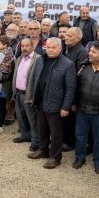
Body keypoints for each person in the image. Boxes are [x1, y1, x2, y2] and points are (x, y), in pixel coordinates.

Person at [27, 37, 76, 169]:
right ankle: (43, 150)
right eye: (48, 47)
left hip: (56, 105)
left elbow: (71, 88)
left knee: (56, 134)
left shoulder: (67, 64)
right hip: (40, 102)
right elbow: (34, 79)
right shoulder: (40, 60)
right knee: (41, 129)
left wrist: (65, 107)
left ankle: (55, 157)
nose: (50, 50)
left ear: (60, 48)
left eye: (54, 47)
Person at [73, 41, 99, 174]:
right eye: (90, 50)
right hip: (82, 109)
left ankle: (98, 162)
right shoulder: (82, 66)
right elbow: (75, 86)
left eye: (93, 52)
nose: (89, 53)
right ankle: (80, 158)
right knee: (80, 135)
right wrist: (74, 103)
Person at [12, 37, 43, 151]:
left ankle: (36, 141)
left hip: (29, 95)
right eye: (22, 46)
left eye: (27, 46)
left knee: (33, 120)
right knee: (21, 117)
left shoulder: (38, 59)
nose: (24, 48)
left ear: (32, 46)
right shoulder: (19, 58)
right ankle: (25, 136)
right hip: (18, 93)